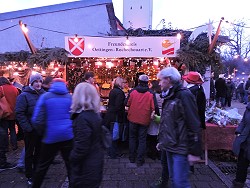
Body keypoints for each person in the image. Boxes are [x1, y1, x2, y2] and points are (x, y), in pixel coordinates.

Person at [156, 67, 202, 188]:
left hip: (180, 148)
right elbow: (167, 122)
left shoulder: (184, 95)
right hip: (170, 146)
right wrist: (162, 141)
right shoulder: (169, 96)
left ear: (169, 79)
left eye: (161, 80)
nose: (159, 83)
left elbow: (193, 123)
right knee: (175, 181)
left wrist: (194, 151)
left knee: (180, 183)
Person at [31, 78, 73, 188]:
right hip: (67, 136)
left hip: (51, 136)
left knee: (43, 165)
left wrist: (42, 132)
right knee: (70, 165)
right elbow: (73, 115)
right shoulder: (69, 97)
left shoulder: (45, 97)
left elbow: (37, 119)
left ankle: (36, 185)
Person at [70, 82, 104, 188]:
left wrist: (72, 157)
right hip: (95, 160)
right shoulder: (94, 114)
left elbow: (82, 146)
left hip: (86, 166)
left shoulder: (82, 118)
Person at [15, 72, 45, 186]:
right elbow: (20, 113)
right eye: (36, 81)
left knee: (39, 152)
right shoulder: (24, 95)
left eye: (40, 81)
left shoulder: (44, 94)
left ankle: (37, 172)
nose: (38, 84)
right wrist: (28, 128)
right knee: (29, 153)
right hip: (30, 130)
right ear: (31, 82)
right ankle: (29, 174)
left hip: (41, 130)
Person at [125, 74, 155, 167]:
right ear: (147, 82)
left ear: (138, 81)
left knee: (132, 138)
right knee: (142, 139)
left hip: (132, 118)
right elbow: (154, 107)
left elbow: (127, 103)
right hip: (144, 119)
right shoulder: (151, 93)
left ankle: (132, 157)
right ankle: (140, 160)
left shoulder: (133, 91)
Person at [182, 71, 206, 173]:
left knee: (187, 143)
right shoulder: (199, 90)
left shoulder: (188, 91)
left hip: (189, 121)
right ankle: (189, 167)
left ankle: (187, 167)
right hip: (195, 121)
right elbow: (202, 109)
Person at [0, 76, 19, 170]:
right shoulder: (14, 88)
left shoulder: (2, 88)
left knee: (4, 132)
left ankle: (5, 147)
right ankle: (14, 145)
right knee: (12, 130)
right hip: (13, 112)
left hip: (4, 113)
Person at [105, 76, 126, 159]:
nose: (125, 84)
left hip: (111, 115)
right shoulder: (120, 93)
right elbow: (118, 106)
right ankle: (113, 153)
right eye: (124, 82)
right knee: (115, 135)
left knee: (112, 134)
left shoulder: (113, 91)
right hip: (116, 116)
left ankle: (111, 152)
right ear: (120, 83)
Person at [232, 94, 250, 188]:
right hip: (244, 140)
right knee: (242, 163)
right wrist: (239, 132)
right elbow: (243, 121)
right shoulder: (248, 107)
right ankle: (239, 182)